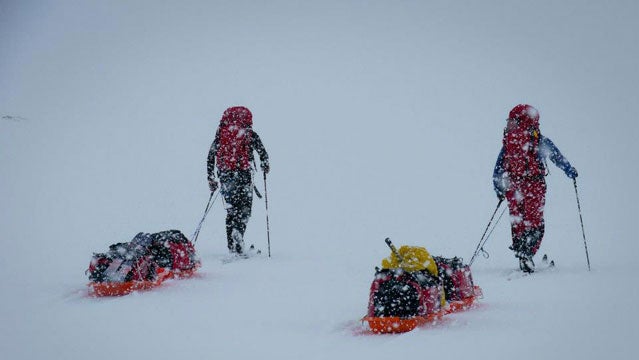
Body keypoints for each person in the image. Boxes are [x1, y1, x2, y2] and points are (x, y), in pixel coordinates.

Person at [493, 104, 577, 273]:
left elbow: (498, 167)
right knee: (534, 222)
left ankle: (521, 253)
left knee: (518, 222)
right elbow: (556, 156)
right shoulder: (538, 140)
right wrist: (570, 170)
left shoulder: (510, 142)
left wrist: (499, 188)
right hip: (534, 186)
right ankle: (528, 253)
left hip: (513, 188)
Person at [207, 106, 269, 254]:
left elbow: (210, 156)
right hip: (244, 175)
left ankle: (232, 246)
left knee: (231, 210)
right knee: (244, 209)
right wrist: (265, 165)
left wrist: (211, 177)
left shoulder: (221, 134)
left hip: (226, 175)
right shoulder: (249, 133)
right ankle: (239, 233)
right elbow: (262, 152)